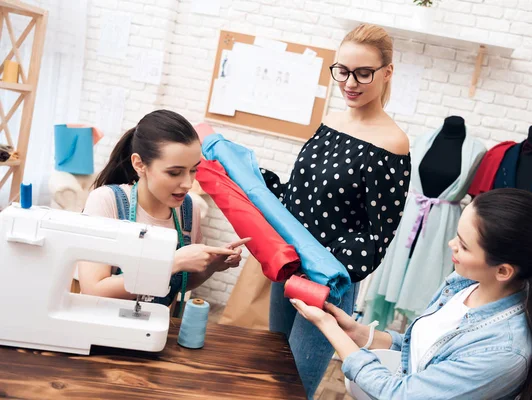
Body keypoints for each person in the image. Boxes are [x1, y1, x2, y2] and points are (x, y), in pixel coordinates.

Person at [292, 188, 532, 400]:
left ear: (503, 271)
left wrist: (329, 328)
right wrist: (360, 334)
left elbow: (400, 395)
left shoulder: (503, 352)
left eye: (465, 246)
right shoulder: (463, 285)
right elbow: (425, 351)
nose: (451, 244)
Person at [259, 23, 411, 398]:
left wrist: (326, 269)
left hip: (328, 282)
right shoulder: (331, 120)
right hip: (289, 264)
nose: (350, 83)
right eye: (342, 71)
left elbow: (378, 235)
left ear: (387, 73)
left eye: (363, 73)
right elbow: (299, 194)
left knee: (294, 386)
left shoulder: (392, 143)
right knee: (270, 370)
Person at [79, 109, 249, 315]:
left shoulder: (188, 209)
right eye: (174, 172)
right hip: (101, 332)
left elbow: (180, 284)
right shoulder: (107, 201)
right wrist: (173, 263)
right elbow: (93, 290)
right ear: (139, 164)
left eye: (193, 170)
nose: (188, 183)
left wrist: (210, 266)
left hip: (154, 332)